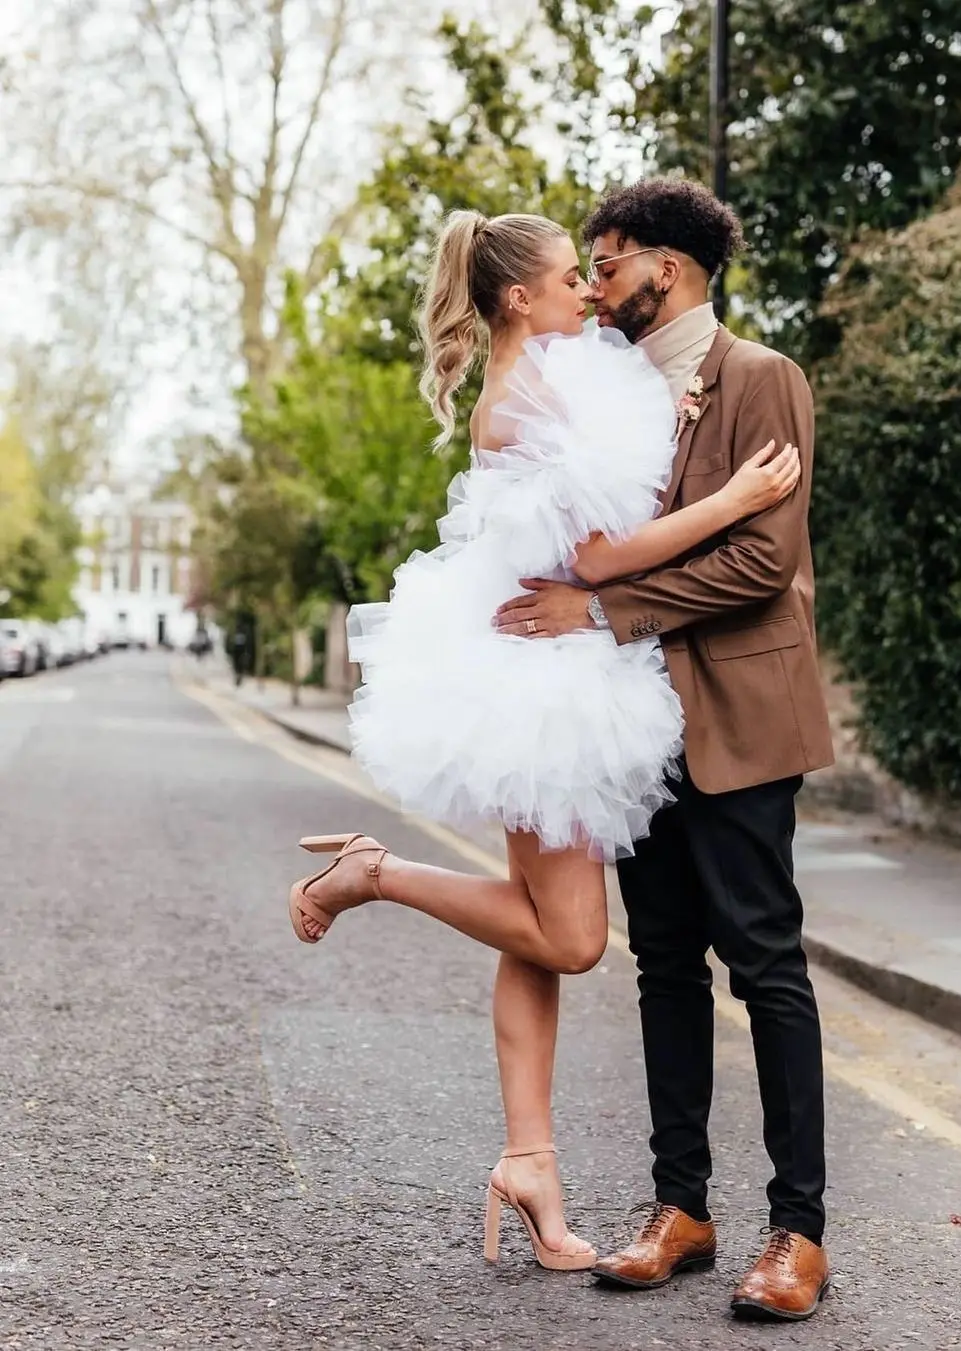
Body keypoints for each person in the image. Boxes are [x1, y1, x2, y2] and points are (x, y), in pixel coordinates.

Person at [286, 208, 800, 1273]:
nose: (588, 292)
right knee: (566, 936)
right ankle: (375, 873)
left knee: (535, 929)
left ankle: (531, 1162)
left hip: (540, 675)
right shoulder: (530, 395)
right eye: (572, 276)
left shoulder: (543, 378)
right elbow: (604, 557)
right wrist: (740, 497)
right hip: (546, 688)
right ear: (519, 296)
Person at [494, 178, 835, 1322]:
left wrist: (602, 611)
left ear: (669, 270)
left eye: (608, 263)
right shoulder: (603, 393)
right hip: (635, 730)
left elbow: (758, 566)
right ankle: (679, 1210)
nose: (593, 285)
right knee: (662, 967)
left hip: (740, 719)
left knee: (767, 964)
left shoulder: (763, 378)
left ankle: (799, 1232)